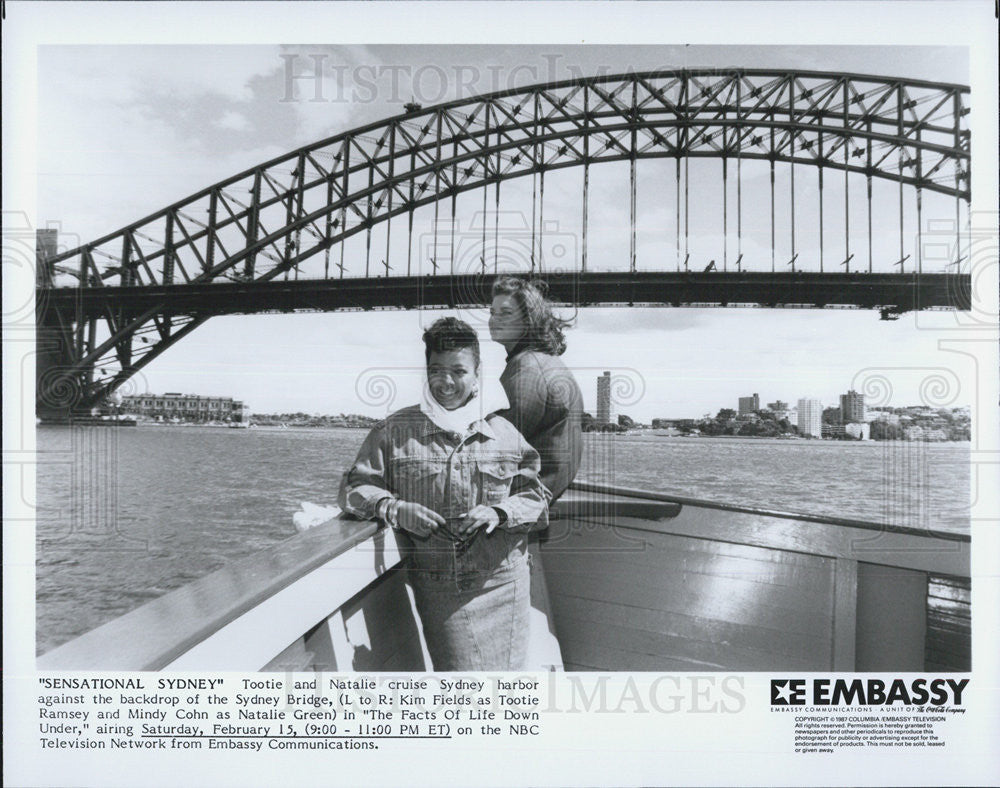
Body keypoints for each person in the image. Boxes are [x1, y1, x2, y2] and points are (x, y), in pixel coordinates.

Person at [338, 317, 548, 671]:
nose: (446, 382)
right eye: (436, 370)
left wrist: (499, 513)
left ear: (477, 372)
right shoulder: (393, 431)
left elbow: (535, 499)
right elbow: (353, 489)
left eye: (459, 371)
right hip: (442, 591)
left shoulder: (505, 433)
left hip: (505, 583)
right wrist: (393, 508)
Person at [488, 277, 584, 503]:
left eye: (505, 313)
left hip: (524, 498)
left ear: (528, 319)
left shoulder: (527, 368)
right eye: (492, 312)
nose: (494, 320)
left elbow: (497, 445)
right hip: (543, 490)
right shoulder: (543, 361)